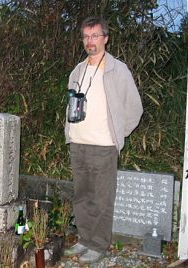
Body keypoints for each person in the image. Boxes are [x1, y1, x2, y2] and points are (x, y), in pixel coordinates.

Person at [64, 17, 143, 264]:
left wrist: (117, 133)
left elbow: (135, 109)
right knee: (82, 196)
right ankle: (84, 240)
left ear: (105, 38)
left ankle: (98, 245)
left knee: (102, 199)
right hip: (78, 143)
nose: (90, 41)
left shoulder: (118, 70)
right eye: (86, 37)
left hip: (104, 146)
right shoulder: (78, 70)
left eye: (95, 36)